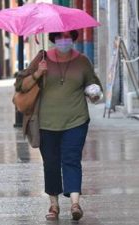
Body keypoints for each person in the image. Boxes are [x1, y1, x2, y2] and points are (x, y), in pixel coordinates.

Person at [15, 30, 103, 221]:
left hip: (76, 120)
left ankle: (75, 204)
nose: (64, 40)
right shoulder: (42, 59)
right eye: (60, 37)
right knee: (51, 164)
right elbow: (20, 86)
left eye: (68, 37)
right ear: (53, 39)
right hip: (46, 123)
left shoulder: (83, 61)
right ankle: (54, 205)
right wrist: (38, 72)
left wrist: (94, 92)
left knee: (71, 159)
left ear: (73, 38)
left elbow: (94, 85)